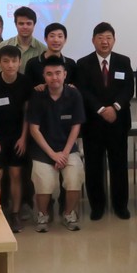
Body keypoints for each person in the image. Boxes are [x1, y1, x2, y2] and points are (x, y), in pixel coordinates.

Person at [76, 22, 134, 221]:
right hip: (93, 123)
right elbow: (83, 90)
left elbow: (128, 89)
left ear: (114, 40)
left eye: (108, 37)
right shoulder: (82, 64)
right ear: (93, 40)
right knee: (93, 167)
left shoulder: (123, 61)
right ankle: (97, 206)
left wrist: (115, 107)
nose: (104, 41)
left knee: (119, 165)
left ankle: (120, 206)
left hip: (118, 121)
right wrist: (101, 109)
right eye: (100, 37)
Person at [28, 56, 86, 232]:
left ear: (65, 74)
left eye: (58, 73)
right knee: (43, 180)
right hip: (43, 150)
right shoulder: (38, 95)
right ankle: (43, 214)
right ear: (44, 76)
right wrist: (53, 154)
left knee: (74, 175)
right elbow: (34, 129)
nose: (54, 77)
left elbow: (76, 126)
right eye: (49, 74)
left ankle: (69, 214)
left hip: (68, 149)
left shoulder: (74, 94)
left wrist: (65, 153)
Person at [0, 45, 33, 232]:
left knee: (16, 175)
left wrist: (23, 138)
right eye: (6, 61)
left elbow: (28, 113)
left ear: (20, 62)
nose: (10, 65)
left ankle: (15, 213)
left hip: (18, 137)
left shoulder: (25, 82)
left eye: (14, 61)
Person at [24, 22, 77, 88]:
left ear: (65, 40)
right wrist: (36, 89)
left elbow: (75, 87)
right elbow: (26, 89)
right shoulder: (32, 63)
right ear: (45, 39)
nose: (56, 40)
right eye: (52, 36)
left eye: (60, 36)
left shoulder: (71, 64)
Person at [0, 6, 46, 72]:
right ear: (16, 25)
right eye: (21, 24)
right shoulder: (3, 45)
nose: (25, 27)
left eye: (28, 23)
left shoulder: (43, 49)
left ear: (34, 25)